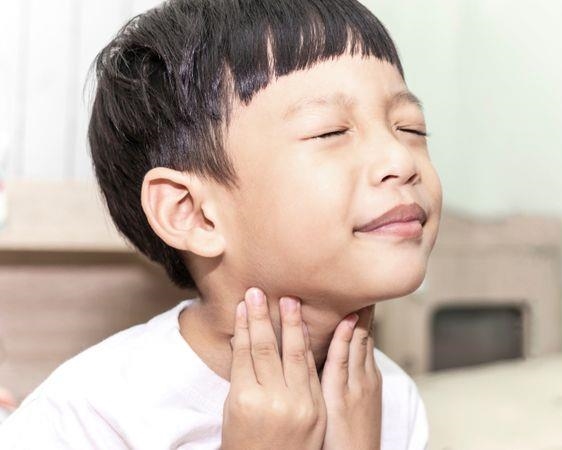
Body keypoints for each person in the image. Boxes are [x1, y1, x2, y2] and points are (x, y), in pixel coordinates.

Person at [0, 0, 442, 448]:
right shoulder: (90, 419)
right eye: (330, 131)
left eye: (410, 129)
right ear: (192, 213)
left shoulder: (390, 399)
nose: (400, 160)